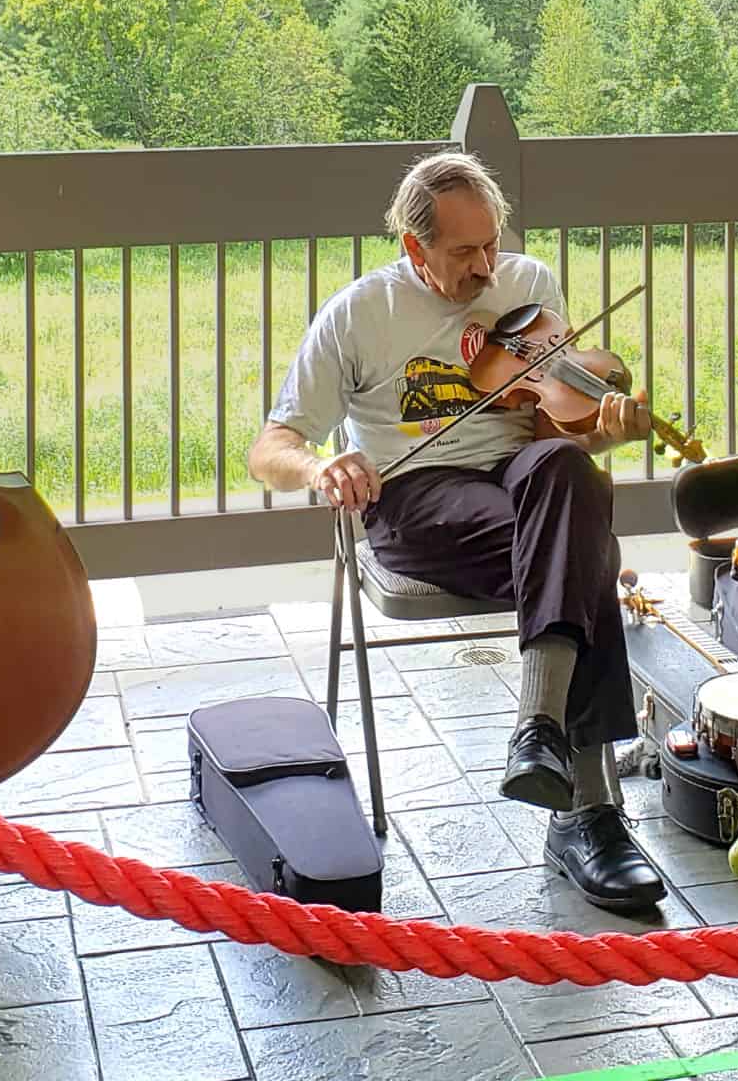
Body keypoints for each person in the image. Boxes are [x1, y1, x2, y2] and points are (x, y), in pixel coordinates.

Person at [248, 151, 667, 909]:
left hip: (523, 484)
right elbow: (270, 448)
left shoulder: (529, 284)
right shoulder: (360, 313)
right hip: (415, 497)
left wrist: (608, 430)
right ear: (414, 249)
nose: (485, 268)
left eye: (492, 244)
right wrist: (322, 470)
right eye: (463, 252)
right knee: (584, 549)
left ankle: (539, 731)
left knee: (573, 478)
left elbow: (554, 427)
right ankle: (590, 813)